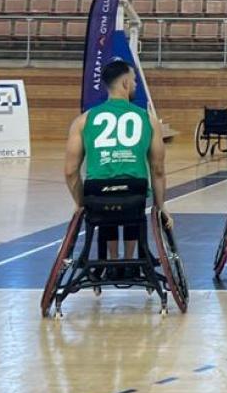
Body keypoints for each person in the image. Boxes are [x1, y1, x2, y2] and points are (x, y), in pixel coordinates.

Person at [64, 59, 167, 277]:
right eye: (135, 81)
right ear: (126, 84)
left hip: (97, 193)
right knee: (133, 202)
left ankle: (110, 261)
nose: (136, 85)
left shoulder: (84, 120)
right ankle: (130, 260)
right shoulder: (148, 119)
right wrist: (161, 206)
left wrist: (80, 203)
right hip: (134, 192)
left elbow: (70, 171)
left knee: (103, 204)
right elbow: (157, 169)